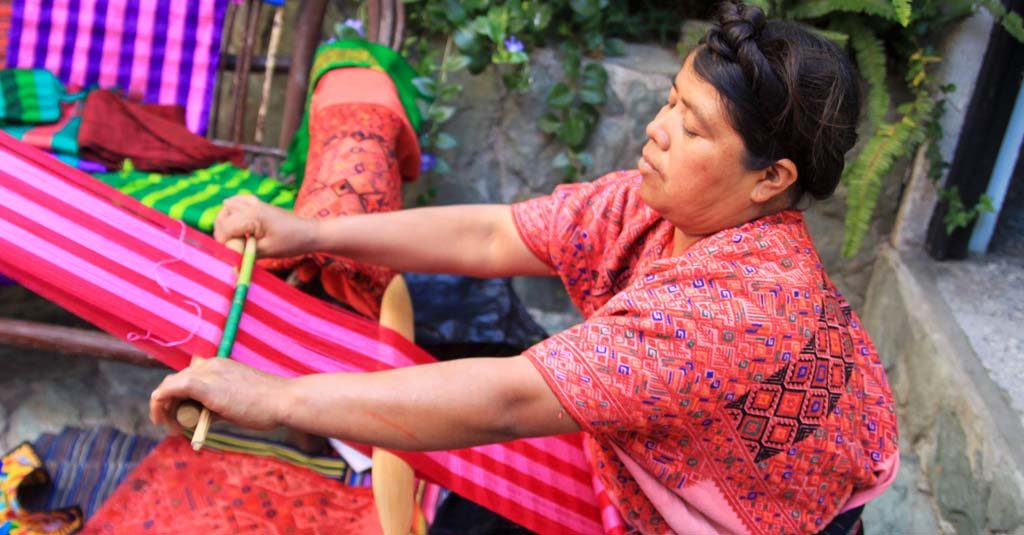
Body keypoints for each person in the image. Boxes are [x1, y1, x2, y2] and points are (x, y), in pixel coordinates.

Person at [149, 3, 899, 534]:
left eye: (691, 125)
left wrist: (276, 397)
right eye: (671, 101)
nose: (655, 129)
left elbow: (508, 399)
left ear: (770, 179)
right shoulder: (654, 207)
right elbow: (491, 234)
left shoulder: (738, 308)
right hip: (663, 459)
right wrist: (310, 229)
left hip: (758, 511)